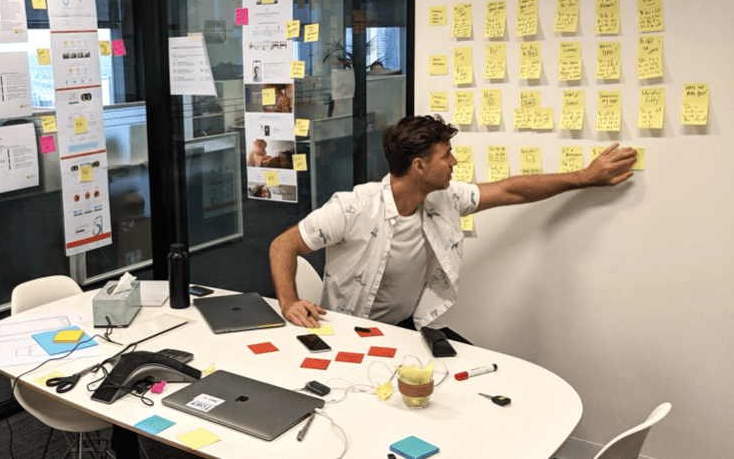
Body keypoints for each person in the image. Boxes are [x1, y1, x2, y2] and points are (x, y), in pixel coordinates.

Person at [269, 114, 636, 336]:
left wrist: (585, 177)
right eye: (447, 156)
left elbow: (511, 190)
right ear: (419, 166)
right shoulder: (352, 208)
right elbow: (283, 245)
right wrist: (289, 302)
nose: (454, 162)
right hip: (349, 333)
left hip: (404, 330)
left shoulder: (444, 197)